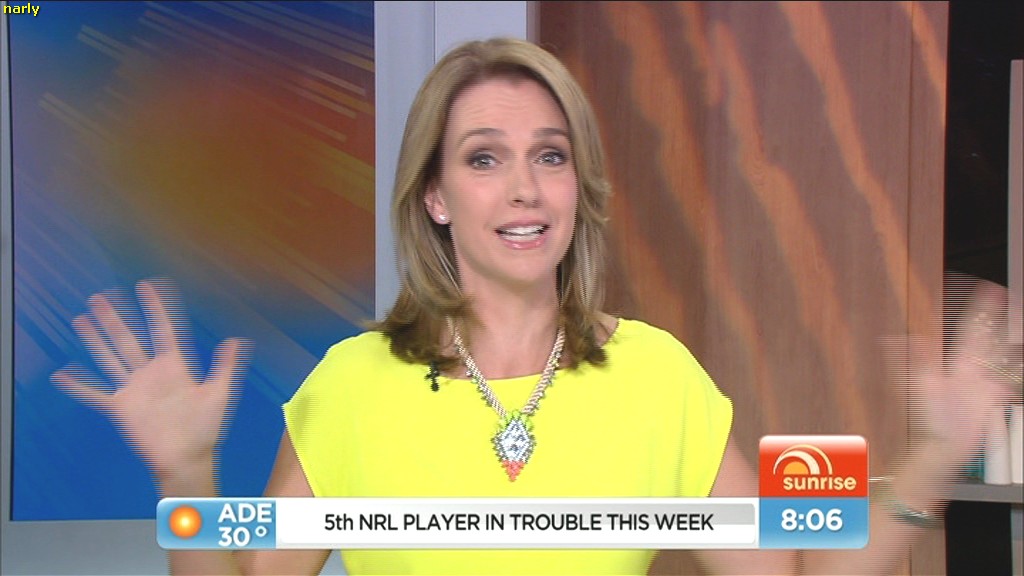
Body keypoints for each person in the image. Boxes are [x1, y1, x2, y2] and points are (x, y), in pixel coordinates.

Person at [52, 38, 1020, 575]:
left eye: (549, 156)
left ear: (575, 187)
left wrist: (935, 454)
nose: (524, 187)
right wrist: (185, 472)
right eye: (485, 158)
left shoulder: (657, 377)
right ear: (436, 196)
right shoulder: (351, 385)